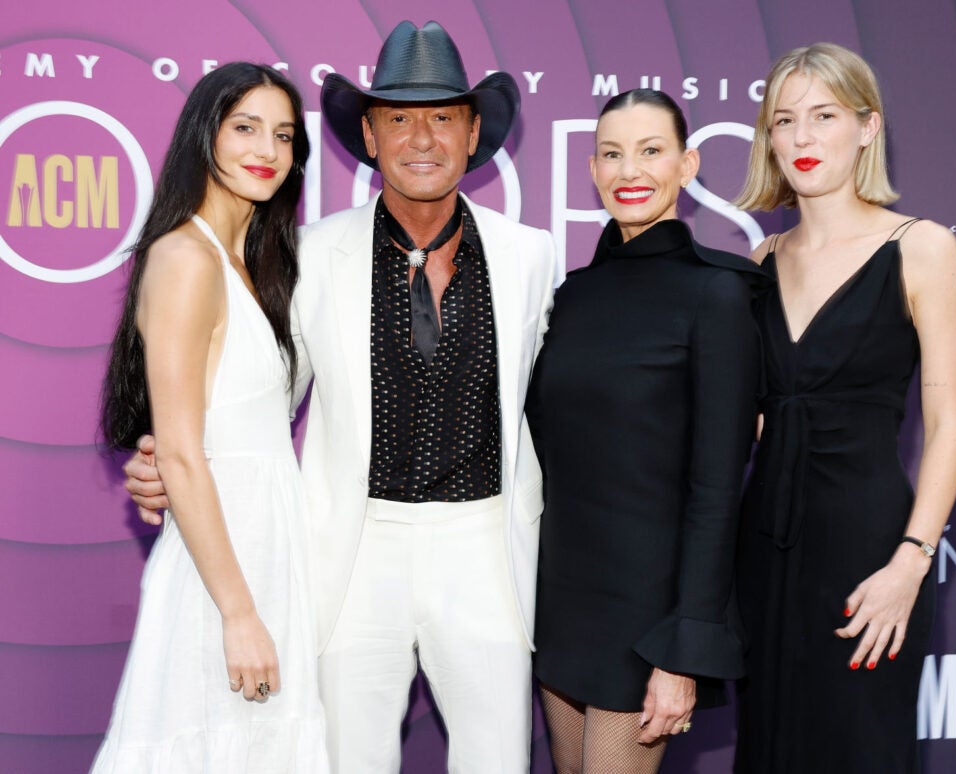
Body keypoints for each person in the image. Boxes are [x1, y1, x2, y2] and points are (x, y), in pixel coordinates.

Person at [123, 21, 556, 773]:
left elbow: (567, 401)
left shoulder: (531, 255)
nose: (421, 137)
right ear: (369, 134)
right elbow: (254, 394)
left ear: (473, 129)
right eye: (398, 117)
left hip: (488, 549)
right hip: (351, 556)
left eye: (442, 116)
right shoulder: (310, 254)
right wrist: (165, 458)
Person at [732, 43, 956, 773]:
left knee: (861, 750)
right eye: (784, 120)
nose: (802, 139)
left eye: (824, 116)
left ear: (867, 128)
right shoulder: (759, 263)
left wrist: (910, 561)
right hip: (764, 553)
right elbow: (750, 426)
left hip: (871, 554)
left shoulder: (921, 248)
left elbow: (948, 426)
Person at [92, 63, 328, 771]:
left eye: (284, 135)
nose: (267, 150)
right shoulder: (185, 257)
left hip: (271, 551)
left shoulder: (262, 263)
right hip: (219, 570)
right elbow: (184, 453)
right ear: (206, 134)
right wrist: (238, 612)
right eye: (245, 127)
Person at [525, 89, 765, 772]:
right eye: (612, 154)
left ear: (687, 166)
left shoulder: (716, 293)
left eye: (651, 151)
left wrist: (682, 650)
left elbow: (717, 488)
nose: (631, 171)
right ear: (594, 171)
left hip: (648, 616)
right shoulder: (571, 295)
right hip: (562, 599)